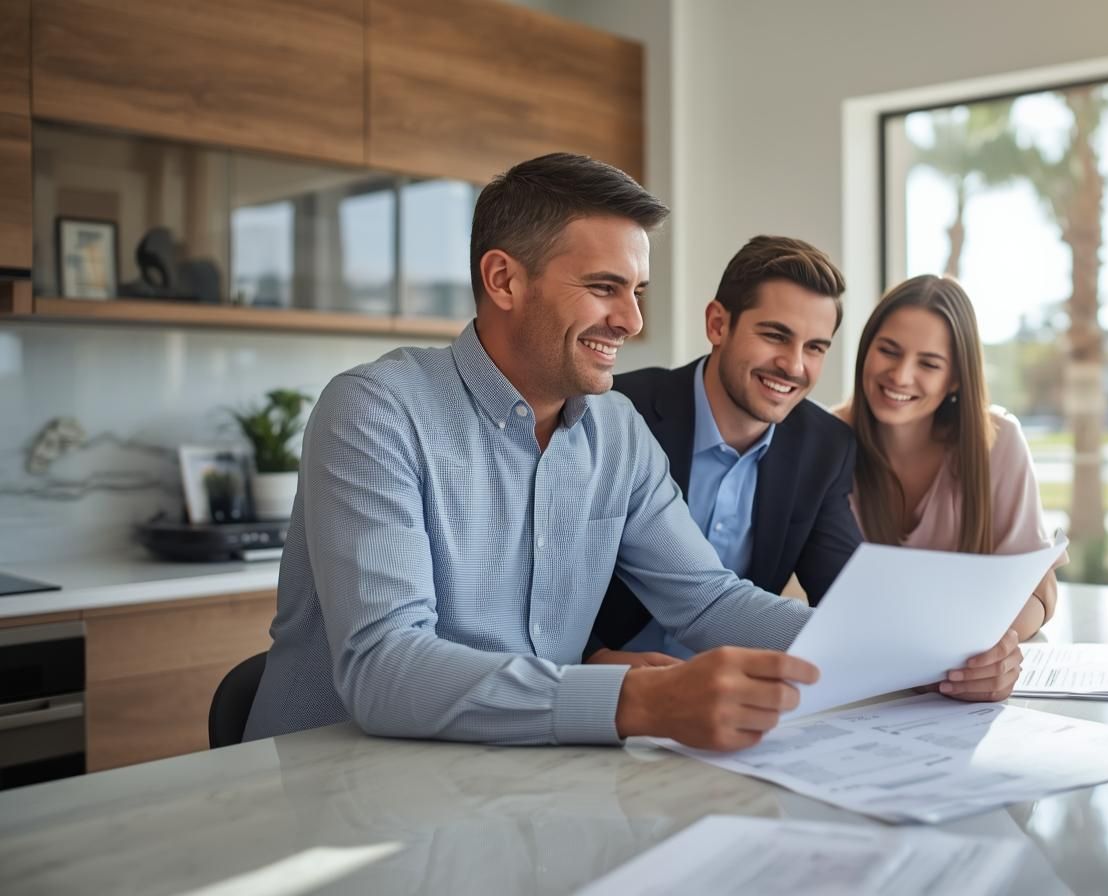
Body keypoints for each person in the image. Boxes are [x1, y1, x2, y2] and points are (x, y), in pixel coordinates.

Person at [244, 155, 1022, 751]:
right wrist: (635, 701)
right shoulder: (377, 410)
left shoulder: (614, 431)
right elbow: (385, 669)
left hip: (507, 773)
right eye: (605, 287)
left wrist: (930, 654)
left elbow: (711, 602)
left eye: (638, 291)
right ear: (503, 279)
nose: (633, 321)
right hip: (332, 792)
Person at [586, 236, 863, 664]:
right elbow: (548, 575)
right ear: (717, 324)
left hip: (735, 696)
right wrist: (593, 658)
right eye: (775, 336)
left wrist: (936, 655)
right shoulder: (617, 413)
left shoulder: (825, 446)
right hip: (602, 687)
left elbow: (847, 596)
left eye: (815, 348)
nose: (793, 366)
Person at [837, 274, 1061, 641]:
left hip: (962, 674)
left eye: (928, 364)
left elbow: (1037, 591)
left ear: (955, 379)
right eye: (889, 351)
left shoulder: (998, 442)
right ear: (865, 349)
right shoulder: (824, 442)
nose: (901, 375)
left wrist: (976, 656)